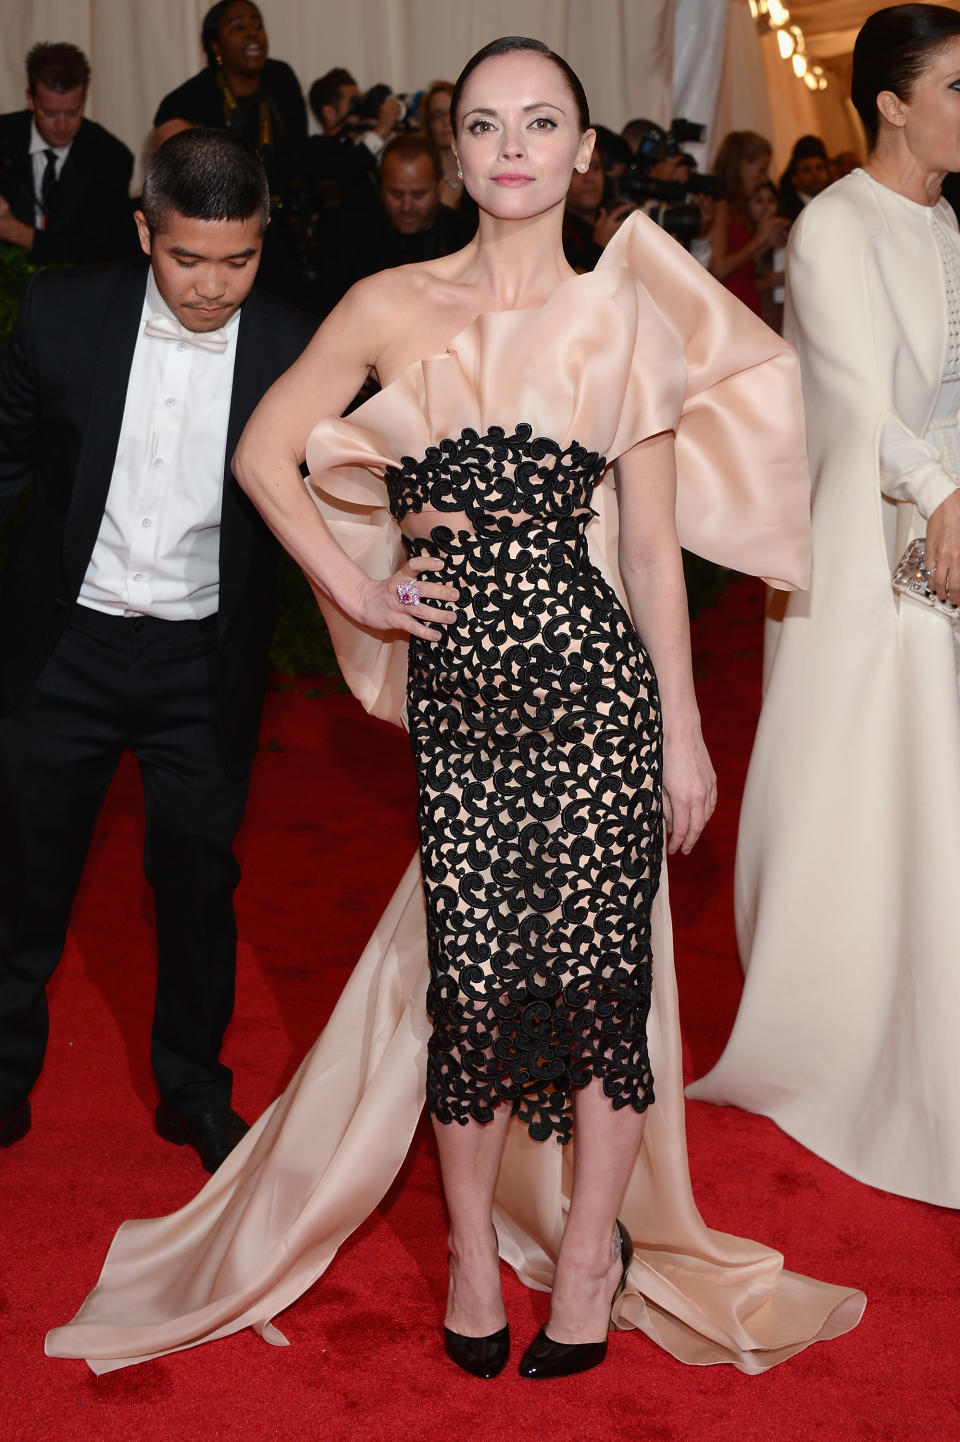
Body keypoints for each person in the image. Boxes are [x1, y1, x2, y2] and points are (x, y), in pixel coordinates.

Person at [45, 38, 864, 1380]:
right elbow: (267, 452)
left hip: (596, 687)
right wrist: (354, 592)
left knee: (601, 991)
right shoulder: (387, 302)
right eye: (484, 123)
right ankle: (477, 1252)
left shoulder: (629, 318)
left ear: (584, 152)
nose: (512, 146)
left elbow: (653, 554)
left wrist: (689, 731)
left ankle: (591, 1257)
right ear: (456, 146)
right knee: (476, 993)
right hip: (464, 700)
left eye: (542, 122)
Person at [687, 4, 960, 1210]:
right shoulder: (838, 223)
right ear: (893, 102)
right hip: (864, 552)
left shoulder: (948, 220)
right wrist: (947, 496)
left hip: (941, 529)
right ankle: (845, 1030)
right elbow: (850, 398)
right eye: (957, 85)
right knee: (869, 778)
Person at [0, 129, 315, 1171]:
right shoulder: (59, 314)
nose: (213, 287)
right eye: (188, 259)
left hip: (199, 663)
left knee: (197, 890)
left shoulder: (289, 346)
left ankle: (192, 1089)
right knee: (23, 882)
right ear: (146, 232)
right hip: (66, 649)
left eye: (239, 259)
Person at [152, 1, 308, 306]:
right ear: (215, 46)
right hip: (225, 233)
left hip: (285, 227)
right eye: (238, 27)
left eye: (257, 25)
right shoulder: (188, 99)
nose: (253, 33)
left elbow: (298, 155)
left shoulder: (281, 79)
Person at [0, 41, 137, 264]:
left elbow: (94, 250)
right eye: (51, 113)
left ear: (84, 100)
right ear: (30, 100)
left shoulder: (111, 157)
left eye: (73, 113)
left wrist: (14, 231)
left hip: (76, 284)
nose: (62, 125)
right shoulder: (4, 137)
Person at [709, 130, 789, 316]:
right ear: (741, 164)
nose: (764, 179)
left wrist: (766, 242)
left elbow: (740, 264)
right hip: (730, 309)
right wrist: (759, 240)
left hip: (744, 304)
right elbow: (719, 269)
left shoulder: (737, 207)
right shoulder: (721, 206)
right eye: (761, 170)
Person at [748, 180, 787, 331]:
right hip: (754, 315)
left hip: (781, 314)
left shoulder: (785, 233)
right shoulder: (746, 240)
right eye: (758, 200)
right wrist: (769, 282)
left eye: (771, 200)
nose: (765, 206)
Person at [778, 134, 831, 221]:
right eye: (806, 170)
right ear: (794, 178)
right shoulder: (784, 212)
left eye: (819, 168)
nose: (814, 174)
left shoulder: (836, 202)